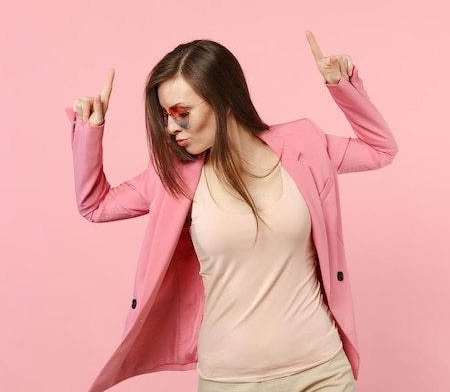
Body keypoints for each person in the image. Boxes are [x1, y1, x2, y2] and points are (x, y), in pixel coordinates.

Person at [66, 31, 398, 392]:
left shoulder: (304, 144)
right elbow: (95, 205)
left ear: (222, 100)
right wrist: (90, 130)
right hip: (230, 379)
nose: (170, 128)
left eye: (182, 113)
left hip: (321, 371)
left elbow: (380, 149)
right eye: (165, 116)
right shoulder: (172, 177)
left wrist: (343, 85)